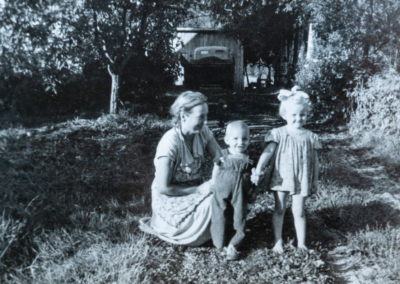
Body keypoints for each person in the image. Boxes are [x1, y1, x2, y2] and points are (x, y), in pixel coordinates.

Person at [139, 91, 222, 246]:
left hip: (194, 188)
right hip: (171, 196)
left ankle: (218, 231)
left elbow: (220, 158)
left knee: (225, 192)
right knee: (214, 201)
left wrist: (238, 165)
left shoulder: (203, 132)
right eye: (200, 116)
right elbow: (163, 188)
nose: (205, 121)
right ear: (184, 116)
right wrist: (198, 190)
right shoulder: (170, 142)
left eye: (206, 115)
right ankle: (198, 234)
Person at [251, 86, 321, 253]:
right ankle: (277, 241)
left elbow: (316, 162)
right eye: (294, 115)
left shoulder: (311, 137)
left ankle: (302, 243)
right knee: (280, 208)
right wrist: (259, 169)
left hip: (302, 177)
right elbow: (267, 153)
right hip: (281, 176)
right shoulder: (278, 134)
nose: (298, 118)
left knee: (299, 210)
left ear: (307, 114)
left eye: (302, 114)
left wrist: (315, 180)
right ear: (284, 115)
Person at [210, 121, 254, 260]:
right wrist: (213, 182)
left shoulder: (249, 158)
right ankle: (219, 243)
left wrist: (254, 188)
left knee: (239, 215)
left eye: (245, 138)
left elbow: (253, 175)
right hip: (221, 189)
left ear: (249, 140)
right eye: (236, 138)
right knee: (219, 213)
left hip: (240, 192)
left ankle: (234, 244)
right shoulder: (222, 154)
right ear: (227, 140)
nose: (240, 142)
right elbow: (216, 167)